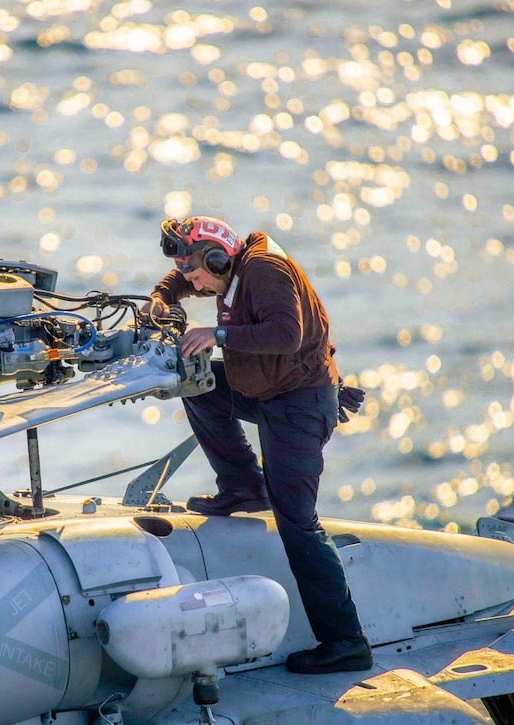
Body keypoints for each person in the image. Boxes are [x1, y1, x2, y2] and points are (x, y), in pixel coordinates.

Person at [146, 215, 371, 675]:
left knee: (298, 523)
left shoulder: (265, 271)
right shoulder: (228, 265)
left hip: (298, 406)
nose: (193, 283)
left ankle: (347, 642)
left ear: (216, 258)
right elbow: (176, 280)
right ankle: (245, 487)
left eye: (195, 273)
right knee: (200, 387)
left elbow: (286, 334)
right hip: (268, 391)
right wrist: (160, 299)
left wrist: (217, 335)